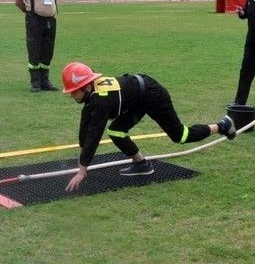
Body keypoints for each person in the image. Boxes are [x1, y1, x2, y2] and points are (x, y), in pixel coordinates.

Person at [61, 62, 237, 190]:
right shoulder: (93, 95)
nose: (72, 96)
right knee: (116, 131)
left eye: (73, 91)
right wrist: (81, 161)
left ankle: (223, 125)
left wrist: (82, 170)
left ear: (86, 87)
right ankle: (142, 164)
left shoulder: (100, 101)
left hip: (153, 95)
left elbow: (94, 135)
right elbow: (85, 126)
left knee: (180, 136)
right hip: (138, 98)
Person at [14, 0, 59, 92]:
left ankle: (45, 81)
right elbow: (18, 1)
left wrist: (52, 11)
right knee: (34, 50)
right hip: (35, 20)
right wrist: (30, 14)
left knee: (48, 50)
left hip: (50, 21)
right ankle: (35, 82)